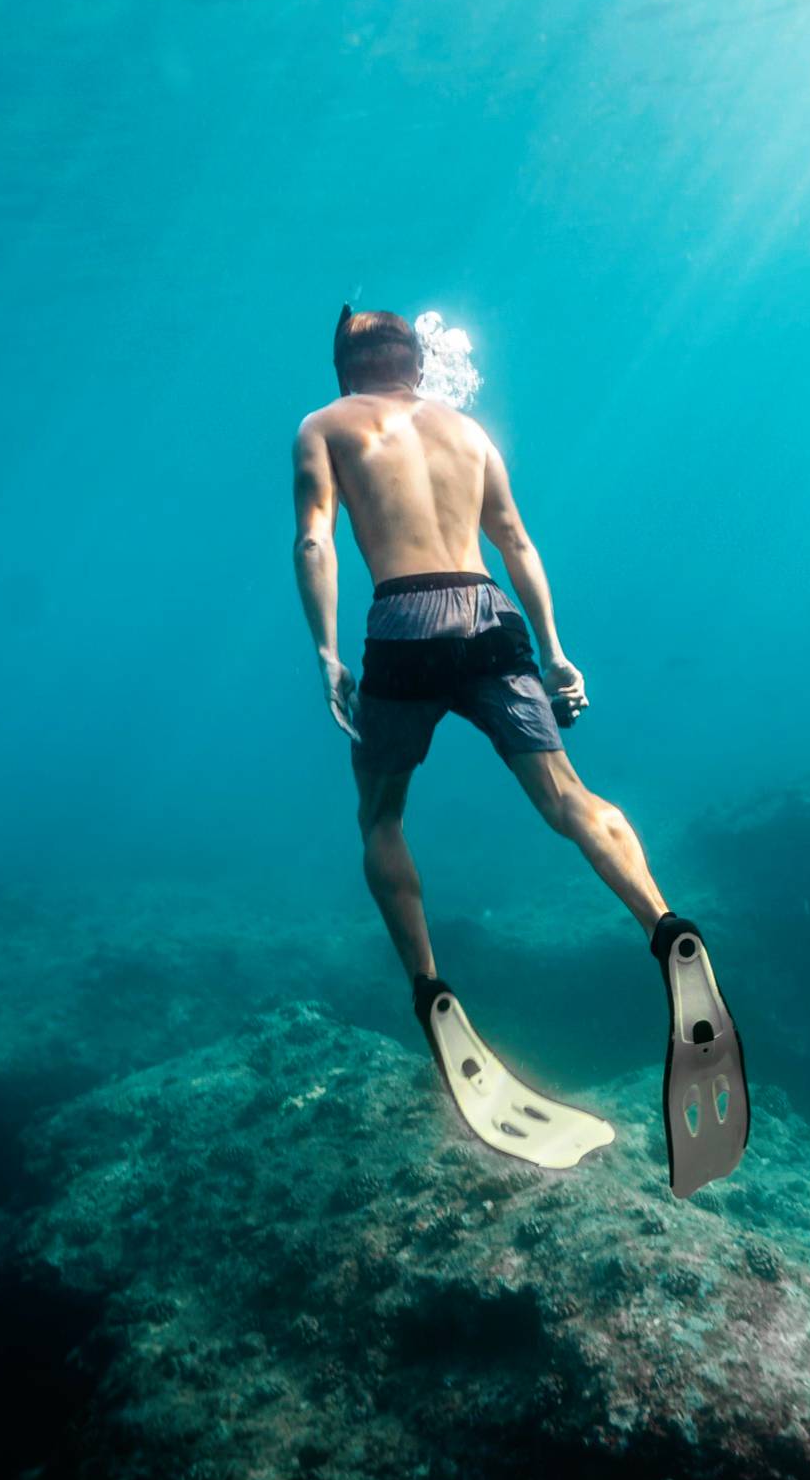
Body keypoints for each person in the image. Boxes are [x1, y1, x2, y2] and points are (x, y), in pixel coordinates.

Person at [292, 307, 748, 1192]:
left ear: (346, 367)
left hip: (403, 621)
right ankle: (665, 928)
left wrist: (325, 651)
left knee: (380, 816)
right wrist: (555, 650)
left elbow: (315, 536)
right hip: (490, 613)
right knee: (567, 798)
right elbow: (516, 543)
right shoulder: (467, 431)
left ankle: (431, 990)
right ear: (416, 365)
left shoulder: (324, 424)